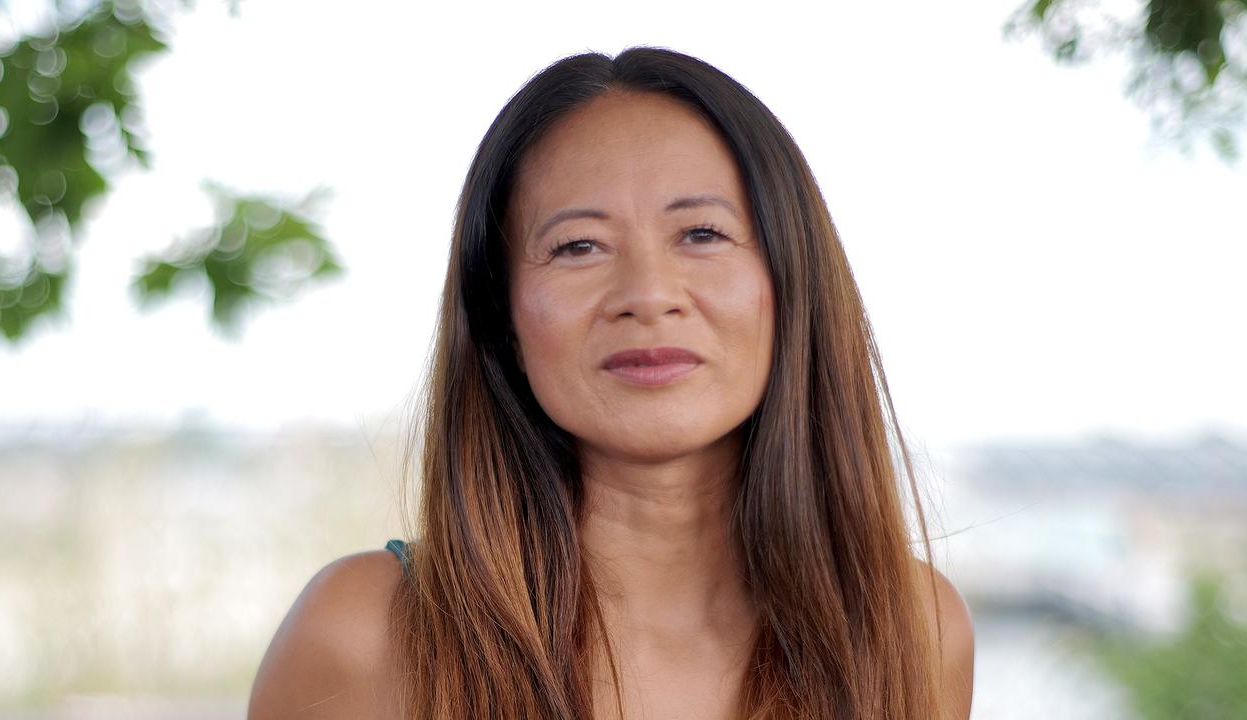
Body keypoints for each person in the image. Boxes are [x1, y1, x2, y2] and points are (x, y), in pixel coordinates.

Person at [249, 46, 974, 720]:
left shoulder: (913, 631)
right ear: (503, 318)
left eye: (702, 234)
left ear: (793, 281)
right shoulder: (364, 634)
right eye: (578, 246)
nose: (649, 294)